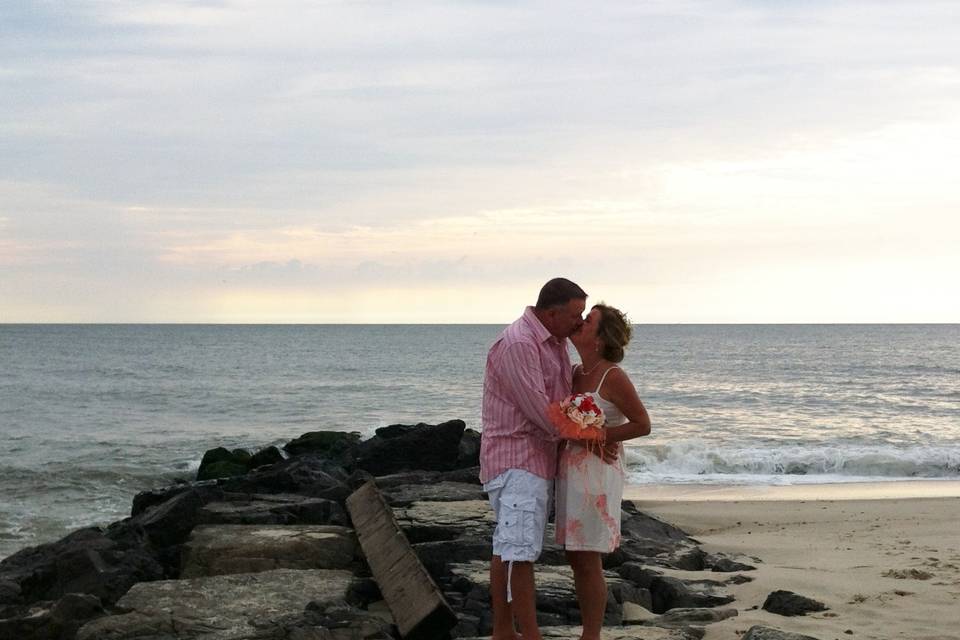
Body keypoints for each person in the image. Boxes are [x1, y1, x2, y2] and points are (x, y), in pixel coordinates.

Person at [479, 277, 588, 640]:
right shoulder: (519, 343)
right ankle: (525, 635)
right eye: (576, 314)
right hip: (516, 459)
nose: (581, 321)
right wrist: (593, 434)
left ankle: (506, 633)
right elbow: (542, 411)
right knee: (518, 550)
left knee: (513, 547)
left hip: (535, 460)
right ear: (552, 312)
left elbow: (561, 400)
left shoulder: (554, 343)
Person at [555, 303, 651, 640]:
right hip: (570, 472)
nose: (580, 322)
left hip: (597, 473)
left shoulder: (613, 376)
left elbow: (643, 424)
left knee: (588, 554)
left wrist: (602, 434)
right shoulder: (575, 372)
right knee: (574, 554)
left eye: (589, 320)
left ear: (600, 338)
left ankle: (591, 635)